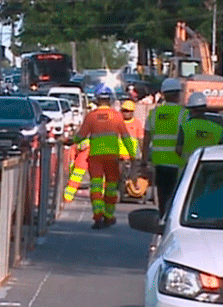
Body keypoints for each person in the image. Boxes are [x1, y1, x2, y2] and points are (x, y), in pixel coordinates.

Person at [74, 85, 136, 229]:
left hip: (95, 157)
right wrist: (132, 156)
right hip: (112, 157)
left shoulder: (91, 116)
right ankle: (109, 216)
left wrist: (70, 140)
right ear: (109, 99)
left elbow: (80, 136)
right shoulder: (117, 116)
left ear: (96, 99)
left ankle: (98, 216)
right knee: (111, 187)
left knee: (96, 187)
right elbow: (126, 137)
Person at [142, 78, 189, 215]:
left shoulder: (154, 113)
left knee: (162, 196)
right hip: (178, 163)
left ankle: (163, 218)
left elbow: (146, 139)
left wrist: (144, 161)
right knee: (176, 198)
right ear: (178, 95)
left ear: (163, 94)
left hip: (159, 162)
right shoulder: (184, 114)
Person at [176, 92, 223, 162]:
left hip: (189, 168)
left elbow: (178, 150)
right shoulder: (218, 129)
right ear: (205, 108)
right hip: (211, 166)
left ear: (191, 109)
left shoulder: (185, 127)